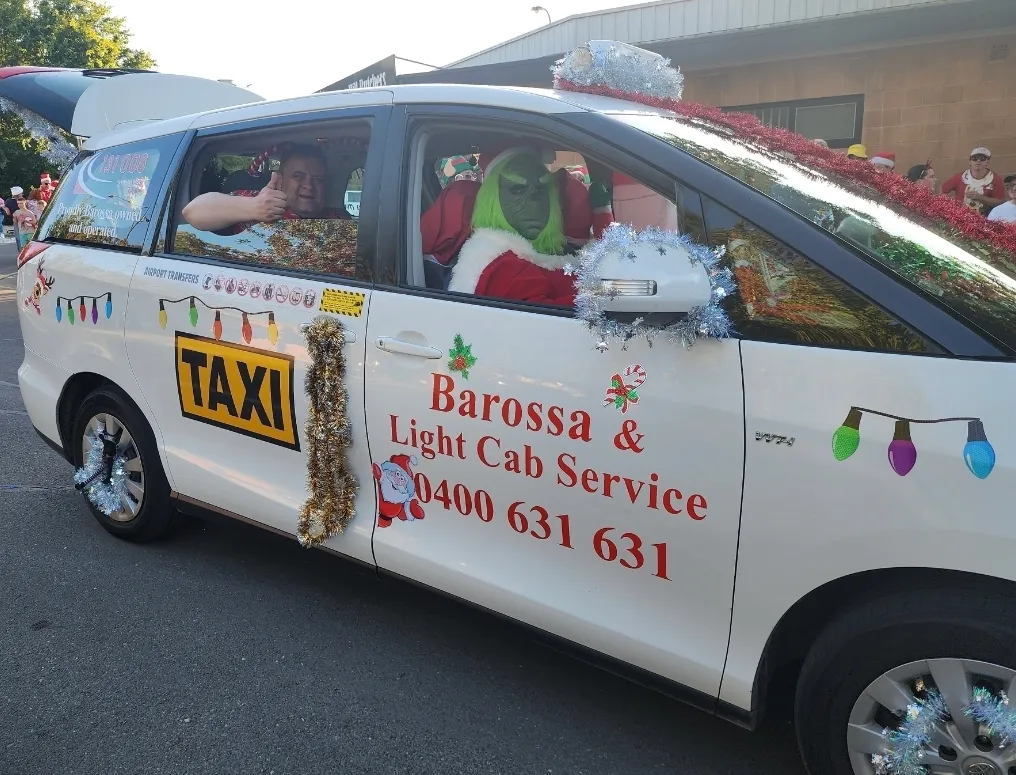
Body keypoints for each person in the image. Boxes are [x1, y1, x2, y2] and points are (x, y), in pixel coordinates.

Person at [447, 146, 575, 307]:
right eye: (517, 190)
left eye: (541, 190)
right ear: (491, 200)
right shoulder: (503, 266)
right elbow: (545, 320)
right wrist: (609, 301)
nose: (533, 204)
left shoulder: (539, 253)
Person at [182, 143, 349, 233]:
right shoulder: (255, 201)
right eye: (298, 176)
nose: (308, 185)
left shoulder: (339, 220)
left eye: (318, 179)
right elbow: (192, 212)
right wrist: (253, 208)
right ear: (281, 180)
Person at [941, 147, 1005, 216]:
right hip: (960, 218)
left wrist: (981, 198)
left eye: (982, 158)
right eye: (974, 158)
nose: (978, 161)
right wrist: (951, 204)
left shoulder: (995, 179)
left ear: (988, 162)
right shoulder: (960, 177)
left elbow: (1000, 201)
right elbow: (943, 189)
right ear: (970, 161)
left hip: (984, 219)